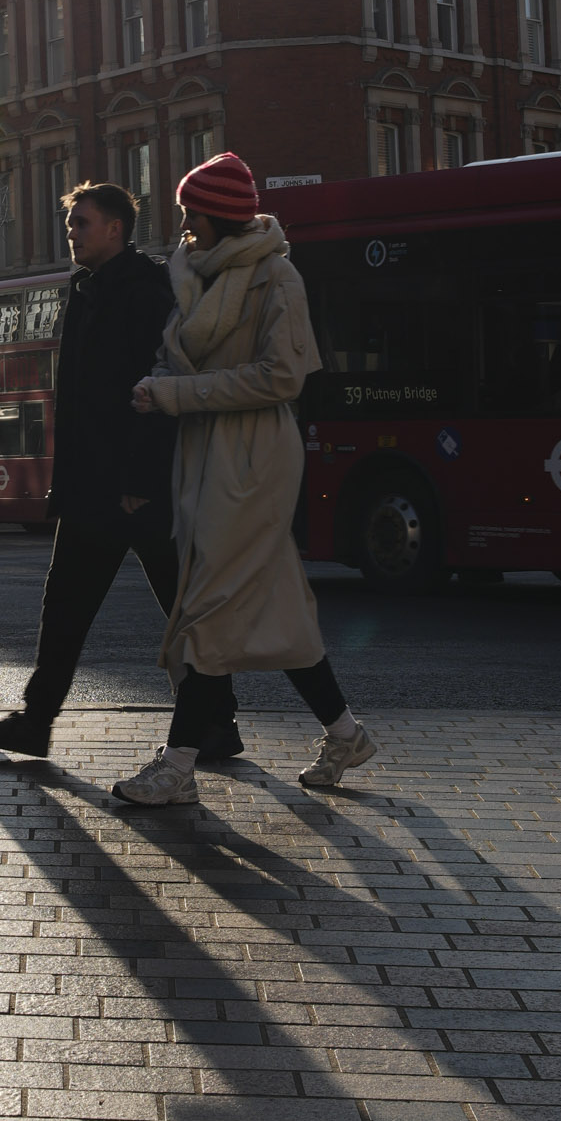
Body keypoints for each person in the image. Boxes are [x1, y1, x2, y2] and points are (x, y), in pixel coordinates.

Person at [112, 150, 374, 808]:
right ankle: (346, 734)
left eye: (190, 213)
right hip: (204, 452)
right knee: (277, 610)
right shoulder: (192, 274)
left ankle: (177, 766)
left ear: (219, 216)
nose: (182, 225)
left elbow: (281, 378)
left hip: (254, 460)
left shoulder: (276, 278)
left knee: (210, 607)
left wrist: (176, 394)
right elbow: (180, 359)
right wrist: (158, 384)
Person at [0, 180, 241, 765]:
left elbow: (158, 385)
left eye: (82, 223)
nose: (71, 233)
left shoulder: (143, 291)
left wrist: (140, 481)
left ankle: (216, 722)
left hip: (133, 489)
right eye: (71, 223)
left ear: (115, 228)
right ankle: (43, 720)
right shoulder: (87, 287)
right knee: (72, 606)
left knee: (178, 609)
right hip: (94, 484)